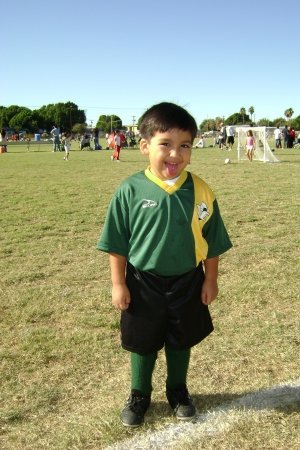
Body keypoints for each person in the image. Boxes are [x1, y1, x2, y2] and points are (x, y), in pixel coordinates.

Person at [97, 102, 232, 428]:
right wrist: (119, 283)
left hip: (188, 279)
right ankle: (140, 394)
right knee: (142, 342)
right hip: (143, 282)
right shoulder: (130, 190)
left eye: (184, 145)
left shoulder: (200, 190)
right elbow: (117, 244)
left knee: (180, 338)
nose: (175, 154)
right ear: (145, 147)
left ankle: (178, 390)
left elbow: (212, 241)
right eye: (166, 145)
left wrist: (210, 279)